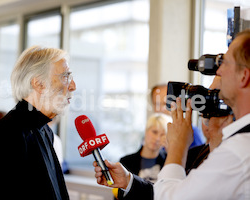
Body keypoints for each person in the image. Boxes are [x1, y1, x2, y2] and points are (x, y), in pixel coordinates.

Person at [94, 29, 250, 200]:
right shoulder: (230, 145)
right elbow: (183, 190)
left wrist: (177, 147)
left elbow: (173, 196)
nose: (218, 70)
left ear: (244, 76)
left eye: (225, 62)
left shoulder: (238, 151)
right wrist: (129, 180)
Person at [0, 46, 76, 199]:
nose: (73, 86)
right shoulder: (6, 135)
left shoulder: (45, 130)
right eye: (65, 76)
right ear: (39, 84)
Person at [185, 76, 233, 174]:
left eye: (215, 95)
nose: (207, 102)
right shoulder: (201, 153)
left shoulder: (236, 154)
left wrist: (176, 149)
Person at [151, 84, 205, 148]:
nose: (161, 109)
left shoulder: (190, 132)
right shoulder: (151, 132)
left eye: (165, 104)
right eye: (156, 104)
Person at [120, 114, 168, 183]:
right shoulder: (126, 162)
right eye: (154, 132)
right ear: (146, 131)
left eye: (162, 134)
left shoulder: (168, 161)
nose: (157, 138)